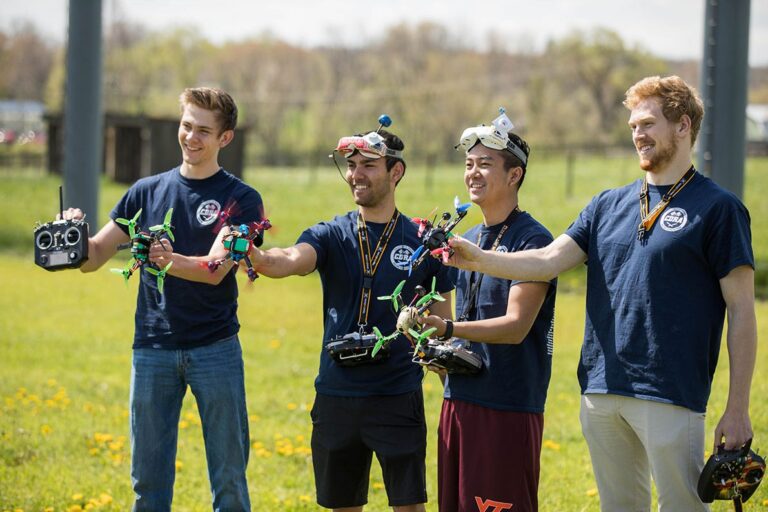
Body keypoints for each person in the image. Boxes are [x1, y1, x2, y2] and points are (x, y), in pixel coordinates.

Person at [443, 76, 756, 511]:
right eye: (632, 127)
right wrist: (477, 258)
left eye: (648, 124)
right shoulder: (607, 204)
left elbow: (742, 310)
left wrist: (737, 407)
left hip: (671, 392)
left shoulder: (719, 208)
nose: (638, 136)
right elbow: (547, 260)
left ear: (683, 126)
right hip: (600, 390)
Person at [61, 87, 262, 511]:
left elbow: (216, 269)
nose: (191, 137)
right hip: (152, 349)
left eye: (204, 131)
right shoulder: (145, 192)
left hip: (215, 349)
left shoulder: (241, 199)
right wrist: (72, 237)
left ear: (225, 138)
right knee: (147, 484)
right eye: (186, 125)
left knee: (229, 482)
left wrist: (168, 261)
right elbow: (94, 257)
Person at [248, 124, 454, 511]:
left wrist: (454, 391)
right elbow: (291, 259)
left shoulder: (423, 241)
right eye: (351, 164)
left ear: (396, 172)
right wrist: (257, 256)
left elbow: (441, 330)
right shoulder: (331, 234)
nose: (356, 174)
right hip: (336, 394)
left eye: (368, 165)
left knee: (409, 506)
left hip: (396, 395)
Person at [420, 113, 556, 512]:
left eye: (484, 164)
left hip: (508, 404)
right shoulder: (471, 238)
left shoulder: (534, 239)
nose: (472, 173)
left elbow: (515, 327)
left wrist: (447, 328)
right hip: (459, 398)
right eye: (468, 164)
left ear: (514, 175)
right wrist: (438, 350)